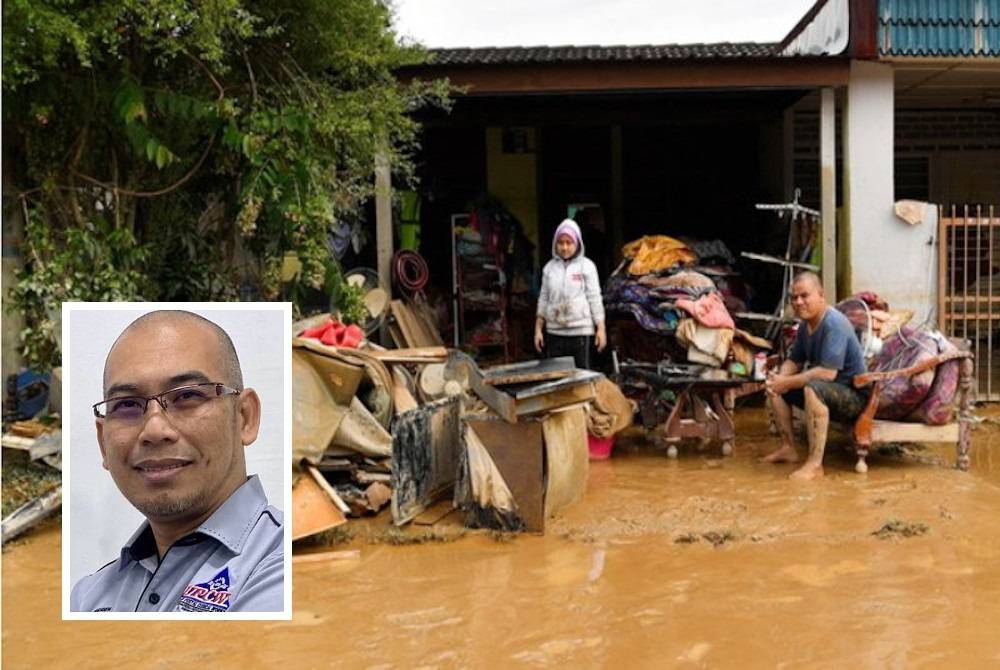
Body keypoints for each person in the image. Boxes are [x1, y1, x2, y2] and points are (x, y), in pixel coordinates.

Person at [70, 310, 283, 612]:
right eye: (128, 404)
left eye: (187, 396)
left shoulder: (284, 567)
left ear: (244, 417)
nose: (155, 430)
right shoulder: (88, 597)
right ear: (103, 441)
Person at [762, 271, 869, 480]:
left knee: (813, 388)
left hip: (853, 395)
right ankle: (788, 448)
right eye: (794, 297)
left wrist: (787, 382)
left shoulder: (834, 324)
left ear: (821, 295)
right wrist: (778, 380)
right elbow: (794, 361)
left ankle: (815, 464)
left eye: (805, 296)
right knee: (775, 389)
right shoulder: (805, 326)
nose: (799, 302)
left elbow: (828, 373)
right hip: (829, 390)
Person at [534, 218, 607, 369]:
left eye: (569, 243)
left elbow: (595, 298)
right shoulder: (549, 268)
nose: (565, 248)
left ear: (578, 243)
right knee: (557, 378)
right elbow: (543, 298)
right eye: (561, 243)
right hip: (555, 331)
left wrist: (600, 329)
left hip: (581, 331)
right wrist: (538, 330)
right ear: (555, 244)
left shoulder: (587, 267)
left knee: (582, 377)